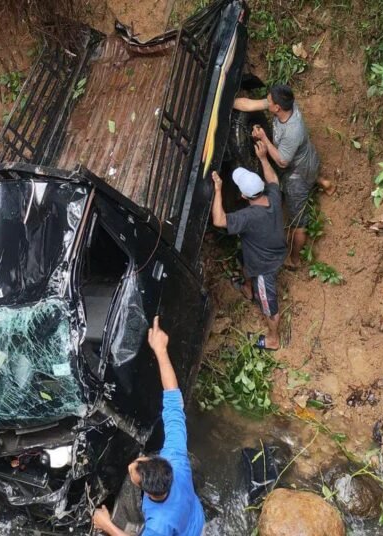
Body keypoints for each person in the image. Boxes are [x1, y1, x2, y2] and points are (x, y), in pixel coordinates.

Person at [92, 317, 204, 536]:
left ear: (150, 494)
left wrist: (106, 524)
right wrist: (161, 351)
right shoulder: (176, 459)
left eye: (134, 471)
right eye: (138, 462)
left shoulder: (159, 524)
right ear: (161, 462)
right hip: (193, 516)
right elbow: (173, 402)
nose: (132, 464)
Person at [234, 84, 334, 269]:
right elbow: (248, 105)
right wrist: (227, 104)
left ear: (277, 108)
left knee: (298, 223)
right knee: (309, 173)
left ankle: (294, 260)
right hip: (307, 158)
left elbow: (282, 162)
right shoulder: (286, 105)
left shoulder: (292, 131)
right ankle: (325, 184)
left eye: (269, 101)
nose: (267, 101)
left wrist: (263, 138)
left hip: (297, 175)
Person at [211, 141, 285, 350]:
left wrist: (218, 189)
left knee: (269, 306)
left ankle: (273, 340)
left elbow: (219, 220)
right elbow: (274, 180)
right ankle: (248, 289)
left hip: (265, 267)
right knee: (245, 261)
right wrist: (262, 159)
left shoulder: (248, 217)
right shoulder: (273, 197)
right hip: (273, 251)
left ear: (243, 196)